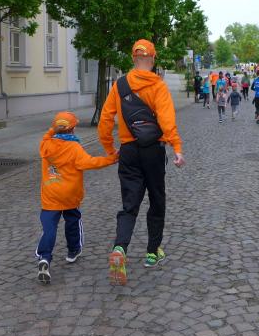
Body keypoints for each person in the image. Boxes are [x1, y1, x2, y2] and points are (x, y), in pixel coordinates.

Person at [99, 39, 186, 286]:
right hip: (153, 151)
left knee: (130, 203)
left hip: (128, 151)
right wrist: (177, 148)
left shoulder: (119, 85)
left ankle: (120, 248)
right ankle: (152, 252)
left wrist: (109, 149)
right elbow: (167, 121)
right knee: (157, 199)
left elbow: (105, 120)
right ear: (153, 59)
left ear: (133, 58)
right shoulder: (158, 86)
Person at [36, 112, 118, 284]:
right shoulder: (74, 148)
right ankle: (73, 251)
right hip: (70, 195)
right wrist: (111, 159)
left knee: (49, 228)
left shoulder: (46, 145)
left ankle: (44, 257)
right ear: (73, 129)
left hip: (51, 194)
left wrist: (52, 130)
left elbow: (46, 136)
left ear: (55, 127)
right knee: (73, 221)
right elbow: (90, 162)